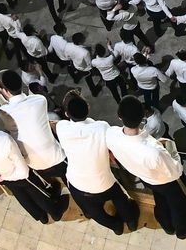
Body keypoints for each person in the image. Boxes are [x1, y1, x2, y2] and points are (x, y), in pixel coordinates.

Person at [106, 96, 186, 238]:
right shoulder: (152, 151)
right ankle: (182, 229)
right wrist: (172, 150)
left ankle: (167, 226)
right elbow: (175, 172)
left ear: (120, 117)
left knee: (160, 199)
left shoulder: (111, 134)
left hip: (145, 177)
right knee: (179, 203)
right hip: (165, 180)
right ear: (142, 117)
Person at [0, 93, 65, 223]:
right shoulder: (3, 139)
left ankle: (40, 216)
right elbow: (24, 172)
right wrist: (9, 175)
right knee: (35, 190)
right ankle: (55, 212)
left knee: (20, 194)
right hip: (13, 173)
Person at [56, 92, 139, 235]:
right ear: (88, 107)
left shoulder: (61, 127)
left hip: (77, 184)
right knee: (120, 198)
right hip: (103, 181)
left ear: (67, 114)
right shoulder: (101, 127)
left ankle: (115, 227)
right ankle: (130, 220)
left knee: (95, 212)